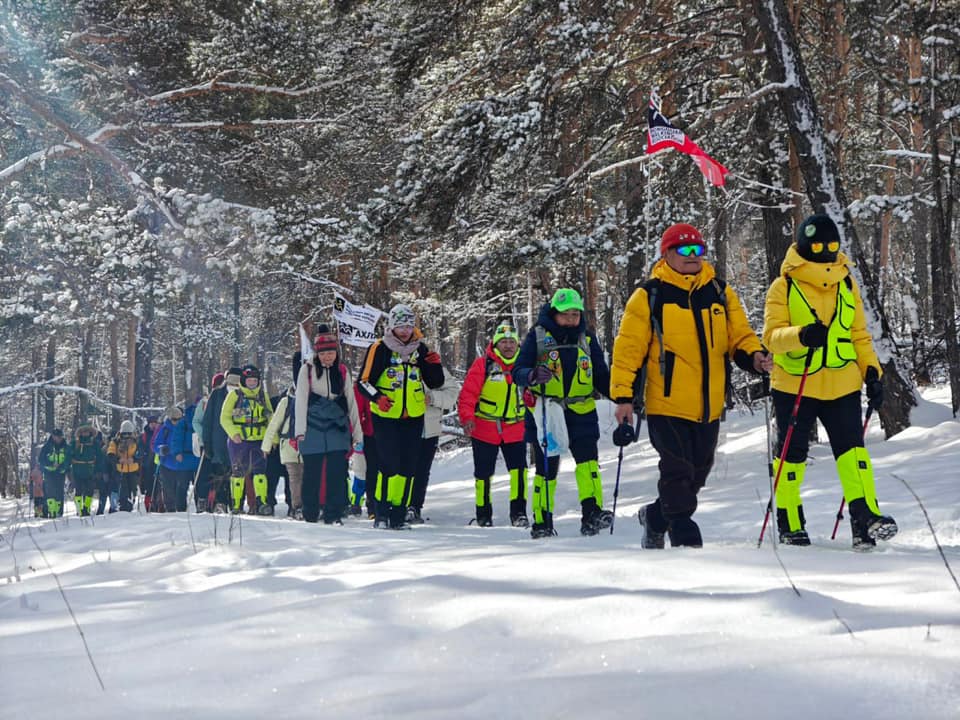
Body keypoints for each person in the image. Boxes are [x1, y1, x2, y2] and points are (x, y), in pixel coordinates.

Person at [611, 222, 771, 548]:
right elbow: (628, 351)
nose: (692, 256)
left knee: (699, 472)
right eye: (684, 250)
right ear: (666, 254)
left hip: (709, 404)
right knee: (677, 471)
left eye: (698, 249)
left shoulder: (719, 292)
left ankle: (654, 518)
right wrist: (623, 397)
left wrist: (754, 356)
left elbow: (739, 336)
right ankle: (685, 538)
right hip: (665, 403)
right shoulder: (649, 295)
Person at [762, 214, 897, 550]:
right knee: (791, 457)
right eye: (819, 246)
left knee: (853, 453)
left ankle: (865, 517)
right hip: (796, 384)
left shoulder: (846, 283)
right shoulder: (784, 286)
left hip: (842, 384)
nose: (826, 252)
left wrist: (872, 372)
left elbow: (859, 335)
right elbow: (772, 337)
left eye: (832, 246)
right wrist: (802, 335)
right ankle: (790, 521)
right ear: (806, 247)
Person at [513, 288, 612, 539]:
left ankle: (592, 512)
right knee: (548, 466)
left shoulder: (587, 340)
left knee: (588, 462)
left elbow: (600, 375)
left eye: (575, 314)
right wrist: (533, 376)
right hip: (547, 410)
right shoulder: (537, 337)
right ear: (554, 313)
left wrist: (622, 395)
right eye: (565, 314)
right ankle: (542, 519)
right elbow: (518, 370)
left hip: (582, 409)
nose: (570, 319)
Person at [358, 304, 445, 529]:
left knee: (408, 466)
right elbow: (362, 382)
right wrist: (378, 398)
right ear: (392, 327)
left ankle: (398, 514)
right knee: (389, 465)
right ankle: (381, 512)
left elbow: (435, 383)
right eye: (400, 326)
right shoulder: (379, 348)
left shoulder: (421, 349)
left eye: (409, 326)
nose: (405, 331)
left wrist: (435, 366)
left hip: (414, 416)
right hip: (386, 416)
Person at [458, 321, 528, 527]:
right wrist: (467, 418)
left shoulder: (524, 365)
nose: (508, 346)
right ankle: (483, 514)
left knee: (519, 472)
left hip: (515, 428)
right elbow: (468, 394)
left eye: (511, 342)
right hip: (485, 428)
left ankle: (519, 513)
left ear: (517, 344)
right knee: (483, 475)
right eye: (503, 342)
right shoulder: (483, 364)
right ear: (496, 344)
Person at [293, 327, 362, 524]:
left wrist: (357, 434)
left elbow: (351, 402)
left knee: (337, 474)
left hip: (337, 427)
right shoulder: (306, 370)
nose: (327, 357)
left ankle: (333, 514)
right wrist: (299, 432)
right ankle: (310, 513)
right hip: (312, 428)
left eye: (330, 353)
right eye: (323, 353)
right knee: (312, 475)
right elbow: (300, 402)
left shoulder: (342, 371)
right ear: (317, 353)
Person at [407, 364, 459, 524]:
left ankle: (414, 507)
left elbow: (452, 393)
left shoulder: (434, 367)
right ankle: (395, 504)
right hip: (401, 427)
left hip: (427, 428)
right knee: (400, 468)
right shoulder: (393, 364)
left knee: (421, 471)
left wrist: (432, 398)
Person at [220, 364, 274, 514]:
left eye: (254, 381)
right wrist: (233, 433)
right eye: (249, 381)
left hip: (259, 439)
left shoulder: (263, 396)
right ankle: (236, 504)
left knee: (260, 472)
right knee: (238, 472)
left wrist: (272, 439)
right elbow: (224, 418)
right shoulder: (234, 395)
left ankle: (261, 502)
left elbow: (271, 418)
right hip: (239, 440)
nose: (252, 383)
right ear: (243, 381)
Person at [262, 355, 304, 519]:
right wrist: (266, 446)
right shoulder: (285, 402)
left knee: (303, 476)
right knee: (293, 477)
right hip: (287, 444)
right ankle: (295, 506)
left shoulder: (311, 400)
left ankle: (302, 504)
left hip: (306, 445)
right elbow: (273, 424)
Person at [203, 368, 241, 512]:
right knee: (219, 473)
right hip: (218, 441)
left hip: (237, 440)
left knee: (237, 473)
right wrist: (206, 442)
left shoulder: (243, 395)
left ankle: (236, 502)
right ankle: (221, 502)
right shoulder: (217, 394)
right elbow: (208, 420)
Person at [152, 406, 199, 512]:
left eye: (179, 419)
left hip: (182, 464)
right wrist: (162, 449)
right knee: (168, 489)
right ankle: (170, 510)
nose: (177, 421)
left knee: (182, 489)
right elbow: (155, 444)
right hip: (167, 464)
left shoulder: (185, 427)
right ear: (170, 419)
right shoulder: (165, 430)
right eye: (174, 419)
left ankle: (181, 509)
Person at [106, 420, 142, 511]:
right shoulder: (115, 442)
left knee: (133, 490)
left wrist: (133, 459)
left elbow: (141, 453)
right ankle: (123, 508)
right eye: (124, 434)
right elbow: (110, 454)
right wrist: (119, 460)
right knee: (123, 491)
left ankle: (131, 506)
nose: (126, 436)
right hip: (120, 470)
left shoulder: (137, 441)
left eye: (128, 434)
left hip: (133, 470)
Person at [69, 424, 102, 517]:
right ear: (80, 433)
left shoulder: (94, 443)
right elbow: (69, 455)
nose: (85, 433)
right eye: (83, 432)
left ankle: (86, 508)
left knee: (89, 491)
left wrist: (98, 469)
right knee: (78, 491)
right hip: (77, 470)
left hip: (90, 471)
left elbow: (99, 457)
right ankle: (79, 509)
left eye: (87, 431)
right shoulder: (74, 443)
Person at [38, 429, 70, 518]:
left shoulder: (66, 447)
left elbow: (68, 460)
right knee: (50, 492)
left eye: (59, 437)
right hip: (49, 473)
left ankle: (59, 512)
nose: (58, 439)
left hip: (60, 473)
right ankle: (51, 512)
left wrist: (62, 467)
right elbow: (41, 460)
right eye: (56, 437)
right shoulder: (47, 447)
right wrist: (51, 464)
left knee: (59, 492)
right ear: (52, 436)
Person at [139, 416, 161, 511]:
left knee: (159, 487)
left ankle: (159, 504)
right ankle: (148, 506)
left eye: (155, 423)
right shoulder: (144, 436)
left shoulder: (160, 433)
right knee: (148, 487)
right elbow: (140, 448)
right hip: (147, 465)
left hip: (158, 464)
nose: (153, 425)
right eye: (151, 423)